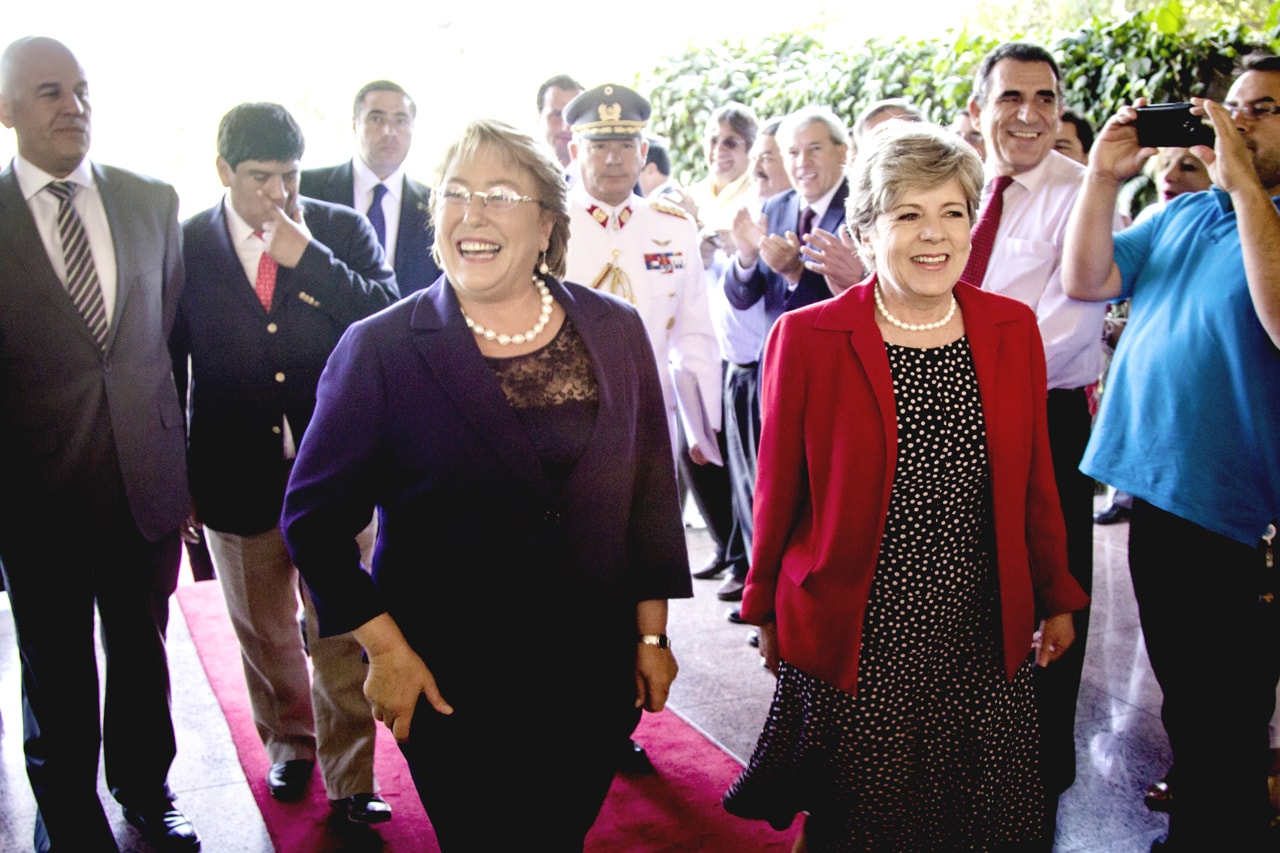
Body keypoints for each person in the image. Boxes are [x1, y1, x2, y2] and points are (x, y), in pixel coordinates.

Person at [280, 118, 692, 850]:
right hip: (450, 683)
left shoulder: (616, 328)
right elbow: (312, 521)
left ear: (545, 224)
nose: (471, 213)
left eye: (499, 194)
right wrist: (385, 649)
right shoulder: (380, 348)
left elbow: (651, 495)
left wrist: (651, 632)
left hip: (589, 678)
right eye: (455, 193)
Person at [722, 120, 1089, 851]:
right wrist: (763, 604)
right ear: (866, 228)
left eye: (952, 212)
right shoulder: (807, 338)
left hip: (983, 621)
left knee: (984, 816)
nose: (935, 235)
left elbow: (1033, 485)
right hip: (863, 621)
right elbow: (778, 495)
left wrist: (1057, 594)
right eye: (909, 214)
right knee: (864, 820)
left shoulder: (1011, 328)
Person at [1062, 52, 1280, 851]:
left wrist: (1245, 185)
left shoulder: (1260, 214)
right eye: (1237, 107)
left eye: (1263, 110)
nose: (1241, 120)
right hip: (1158, 489)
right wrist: (1102, 179)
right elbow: (1088, 278)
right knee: (1188, 701)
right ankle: (1201, 827)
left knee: (1229, 709)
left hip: (1242, 513)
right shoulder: (1187, 214)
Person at [171, 102, 399, 824]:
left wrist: (312, 261)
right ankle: (290, 743)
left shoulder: (336, 228)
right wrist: (178, 477)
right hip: (231, 470)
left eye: (290, 177)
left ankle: (351, 773)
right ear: (222, 172)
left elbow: (387, 312)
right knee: (264, 630)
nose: (278, 194)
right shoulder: (185, 246)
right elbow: (166, 365)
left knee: (338, 626)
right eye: (260, 177)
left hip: (335, 469)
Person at [0, 36, 199, 852]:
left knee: (142, 649)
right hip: (33, 493)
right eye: (50, 92)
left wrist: (182, 467)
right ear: (7, 111)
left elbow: (175, 343)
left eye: (81, 90)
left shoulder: (151, 201)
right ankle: (68, 812)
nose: (72, 107)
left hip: (142, 479)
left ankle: (146, 787)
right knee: (56, 665)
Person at [965, 43, 1113, 831]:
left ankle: (1043, 760)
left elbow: (1062, 327)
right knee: (968, 586)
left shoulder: (1081, 193)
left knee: (1053, 588)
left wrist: (949, 362)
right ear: (976, 109)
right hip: (955, 415)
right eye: (1011, 97)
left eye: (1046, 99)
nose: (1029, 115)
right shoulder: (953, 186)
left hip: (1043, 418)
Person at [562, 84, 722, 475]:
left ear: (644, 152)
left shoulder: (674, 227)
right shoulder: (549, 225)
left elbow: (694, 334)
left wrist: (705, 428)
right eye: (598, 146)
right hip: (569, 421)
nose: (613, 159)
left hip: (653, 417)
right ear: (574, 153)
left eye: (626, 145)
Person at [301, 80, 442, 296]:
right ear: (355, 124)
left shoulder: (437, 204)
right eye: (376, 119)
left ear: (413, 128)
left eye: (400, 120)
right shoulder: (308, 189)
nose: (389, 131)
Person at [536, 73, 584, 170]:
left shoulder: (603, 178)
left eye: (574, 117)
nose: (566, 127)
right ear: (540, 118)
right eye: (557, 115)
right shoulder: (521, 173)